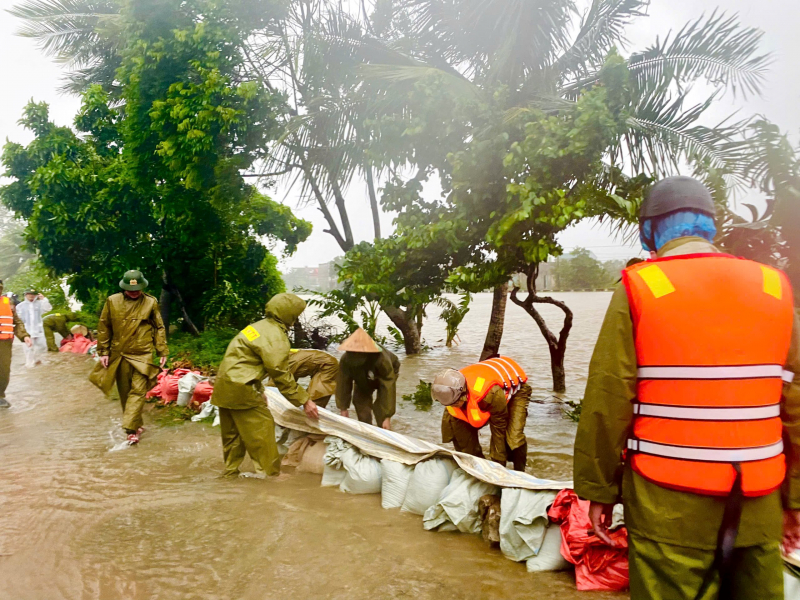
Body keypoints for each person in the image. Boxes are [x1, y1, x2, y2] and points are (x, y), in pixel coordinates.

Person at [573, 176, 800, 600]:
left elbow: (608, 400)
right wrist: (796, 499)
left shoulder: (641, 287)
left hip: (668, 508)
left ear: (648, 231)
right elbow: (796, 406)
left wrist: (597, 491)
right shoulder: (775, 287)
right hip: (759, 505)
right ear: (712, 227)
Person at [211, 293, 318, 478]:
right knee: (263, 435)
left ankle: (229, 475)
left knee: (233, 436)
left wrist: (260, 390)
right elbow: (280, 373)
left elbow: (244, 361)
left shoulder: (257, 327)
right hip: (243, 388)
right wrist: (304, 400)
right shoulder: (275, 336)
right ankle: (270, 478)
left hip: (224, 387)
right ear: (288, 314)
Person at [89, 270, 168, 445]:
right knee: (125, 393)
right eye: (131, 289)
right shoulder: (112, 301)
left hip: (143, 353)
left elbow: (159, 327)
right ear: (124, 288)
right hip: (120, 353)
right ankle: (137, 424)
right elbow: (104, 327)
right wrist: (104, 352)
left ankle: (130, 430)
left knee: (138, 391)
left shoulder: (150, 302)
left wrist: (161, 350)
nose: (134, 292)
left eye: (137, 289)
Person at [431, 356, 531, 471]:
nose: (452, 406)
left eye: (455, 403)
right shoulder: (450, 394)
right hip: (483, 387)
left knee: (513, 437)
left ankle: (521, 472)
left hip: (516, 391)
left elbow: (499, 429)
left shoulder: (488, 394)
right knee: (459, 437)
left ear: (463, 395)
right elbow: (463, 442)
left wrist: (498, 467)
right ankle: (478, 470)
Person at [335, 328, 399, 429]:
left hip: (386, 373)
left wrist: (387, 416)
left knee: (381, 408)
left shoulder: (381, 358)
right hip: (362, 374)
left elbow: (388, 386)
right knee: (359, 401)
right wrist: (343, 408)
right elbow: (343, 383)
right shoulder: (345, 360)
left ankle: (384, 428)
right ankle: (367, 429)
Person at [0, 280, 33, 408]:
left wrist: (24, 336)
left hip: (4, 343)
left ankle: (0, 396)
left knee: (3, 370)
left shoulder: (7, 303)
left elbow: (16, 322)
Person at [15, 290, 51, 367]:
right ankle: (29, 364)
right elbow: (17, 318)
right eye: (29, 294)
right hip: (27, 331)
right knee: (28, 348)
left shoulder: (40, 304)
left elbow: (48, 309)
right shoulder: (20, 306)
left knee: (43, 346)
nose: (31, 296)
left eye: (33, 294)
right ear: (25, 295)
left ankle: (37, 360)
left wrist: (44, 300)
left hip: (39, 330)